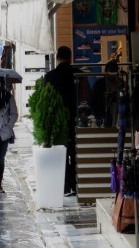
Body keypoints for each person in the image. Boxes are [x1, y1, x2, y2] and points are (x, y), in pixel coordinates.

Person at [43, 46, 87, 197]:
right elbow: (85, 98)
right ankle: (77, 185)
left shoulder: (49, 77)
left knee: (61, 154)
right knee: (76, 153)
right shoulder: (79, 75)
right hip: (78, 121)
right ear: (70, 57)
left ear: (57, 58)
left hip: (58, 123)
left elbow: (46, 103)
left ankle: (65, 186)